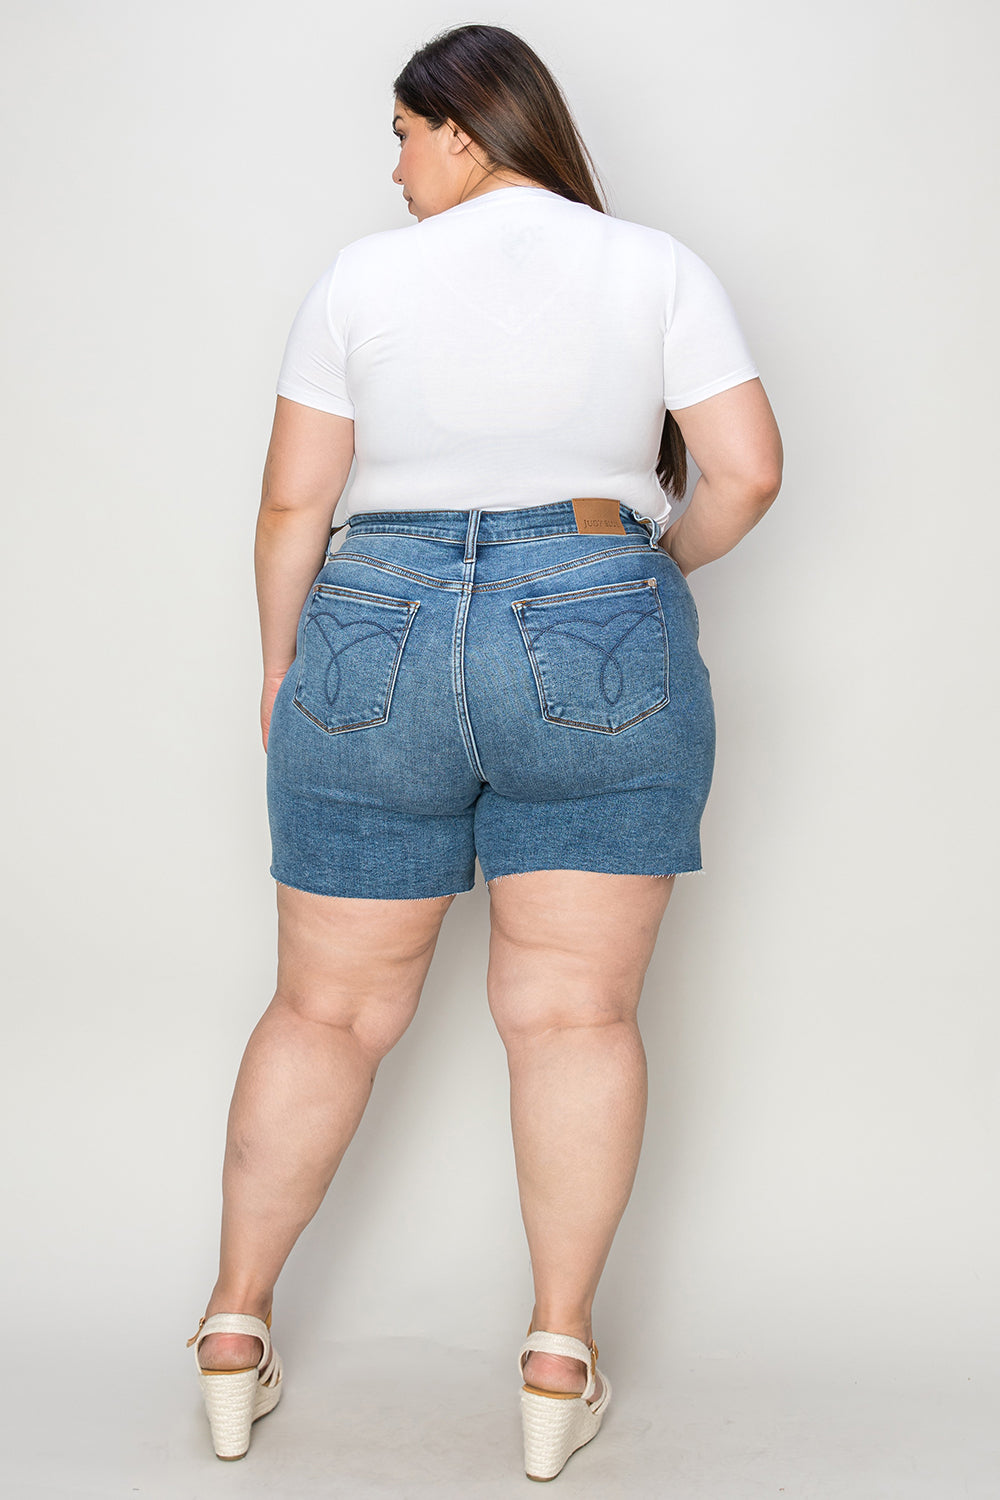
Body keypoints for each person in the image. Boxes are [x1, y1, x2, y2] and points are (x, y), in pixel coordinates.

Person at [186, 22, 783, 1482]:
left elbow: (287, 510)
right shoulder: (655, 265)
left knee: (323, 1013)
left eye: (402, 132)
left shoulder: (360, 280)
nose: (391, 168)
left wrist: (278, 666)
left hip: (370, 620)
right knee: (574, 1016)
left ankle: (231, 1332)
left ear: (466, 126)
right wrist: (646, 576)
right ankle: (556, 1356)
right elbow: (749, 470)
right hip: (597, 611)